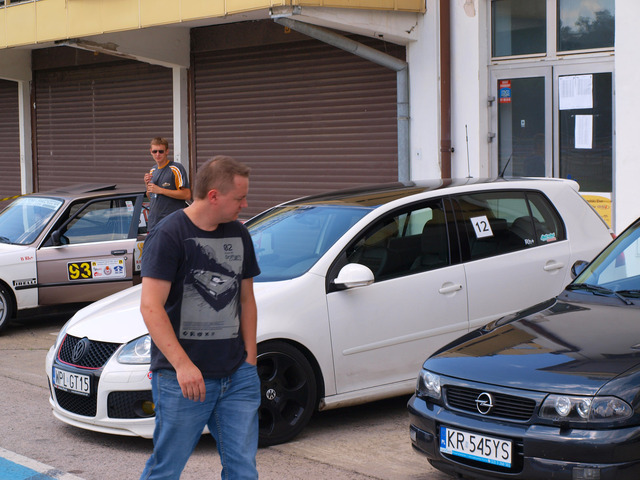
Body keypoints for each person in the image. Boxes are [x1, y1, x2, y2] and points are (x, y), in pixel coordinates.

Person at [139, 155, 261, 480]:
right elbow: (150, 307)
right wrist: (182, 365)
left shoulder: (239, 234)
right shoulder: (168, 235)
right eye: (239, 198)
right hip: (183, 380)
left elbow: (246, 298)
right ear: (214, 196)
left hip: (237, 376)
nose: (245, 204)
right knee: (166, 470)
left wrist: (250, 359)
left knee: (243, 470)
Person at [143, 137, 191, 230]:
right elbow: (151, 197)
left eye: (161, 151)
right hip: (154, 224)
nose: (157, 154)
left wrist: (160, 190)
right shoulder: (153, 170)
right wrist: (147, 184)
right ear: (150, 151)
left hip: (171, 224)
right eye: (155, 151)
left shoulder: (175, 168)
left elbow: (187, 194)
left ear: (167, 151)